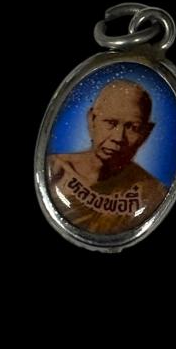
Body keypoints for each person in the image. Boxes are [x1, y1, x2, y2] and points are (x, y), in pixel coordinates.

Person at [48, 80, 168, 234]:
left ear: (146, 132)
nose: (118, 137)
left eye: (132, 127)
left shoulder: (153, 194)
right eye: (110, 123)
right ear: (92, 120)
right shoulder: (54, 170)